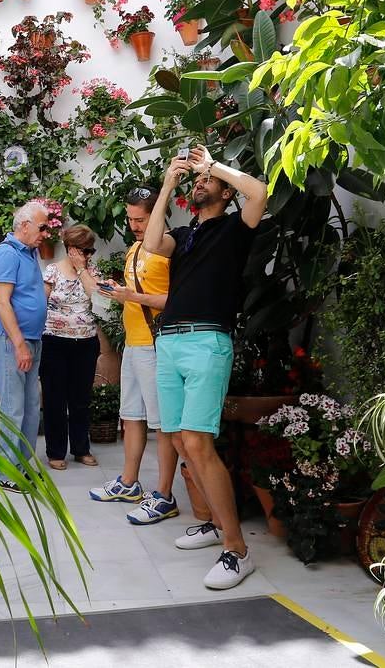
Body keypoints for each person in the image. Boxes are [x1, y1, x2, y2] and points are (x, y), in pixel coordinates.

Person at [143, 144, 267, 590]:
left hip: (206, 341)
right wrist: (168, 184)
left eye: (206, 182)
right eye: (197, 181)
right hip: (170, 342)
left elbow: (258, 192)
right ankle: (215, 524)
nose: (200, 183)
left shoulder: (236, 227)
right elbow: (152, 244)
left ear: (224, 191)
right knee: (177, 437)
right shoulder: (185, 233)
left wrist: (212, 165)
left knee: (197, 441)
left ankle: (237, 550)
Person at [91, 186, 181, 527]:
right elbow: (136, 297)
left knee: (162, 425)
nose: (135, 226)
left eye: (140, 219)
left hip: (156, 346)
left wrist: (133, 296)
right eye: (130, 220)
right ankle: (129, 484)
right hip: (133, 344)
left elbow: (174, 299)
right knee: (131, 418)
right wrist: (118, 293)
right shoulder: (133, 250)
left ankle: (164, 494)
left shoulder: (168, 248)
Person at [0, 201, 49, 493]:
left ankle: (21, 466)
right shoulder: (7, 254)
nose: (46, 233)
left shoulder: (31, 252)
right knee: (13, 408)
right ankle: (6, 471)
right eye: (42, 227)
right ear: (24, 226)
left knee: (31, 408)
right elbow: (2, 301)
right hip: (10, 340)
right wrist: (20, 344)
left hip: (30, 339)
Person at [40, 224, 102, 470]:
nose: (88, 255)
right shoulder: (52, 271)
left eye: (90, 251)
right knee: (55, 398)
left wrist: (82, 269)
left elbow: (95, 297)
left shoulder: (92, 271)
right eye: (84, 251)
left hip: (85, 342)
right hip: (54, 341)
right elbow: (41, 304)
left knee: (81, 398)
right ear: (71, 248)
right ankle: (56, 452)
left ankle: (81, 448)